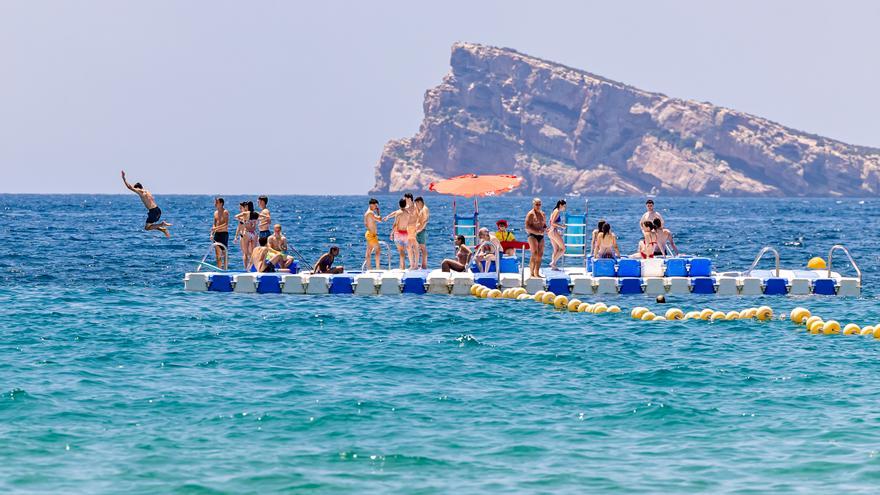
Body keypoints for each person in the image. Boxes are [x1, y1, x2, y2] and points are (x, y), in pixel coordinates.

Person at [121, 170, 172, 238]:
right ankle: (163, 229)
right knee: (150, 225)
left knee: (147, 228)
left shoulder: (140, 191)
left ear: (137, 188)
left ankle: (162, 224)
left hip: (153, 211)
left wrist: (124, 178)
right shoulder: (147, 191)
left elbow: (129, 187)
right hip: (157, 210)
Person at [384, 198, 412, 270]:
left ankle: (402, 268)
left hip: (398, 233)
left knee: (401, 251)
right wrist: (388, 216)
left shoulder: (398, 213)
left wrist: (391, 233)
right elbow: (396, 212)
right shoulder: (408, 213)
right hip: (405, 233)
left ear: (399, 205)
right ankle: (402, 267)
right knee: (403, 251)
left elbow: (395, 224)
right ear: (405, 205)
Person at [525, 198, 547, 278]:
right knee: (534, 253)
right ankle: (531, 273)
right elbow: (527, 227)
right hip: (532, 235)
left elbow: (544, 225)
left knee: (540, 254)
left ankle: (537, 273)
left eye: (539, 204)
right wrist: (537, 232)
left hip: (541, 236)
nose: (538, 206)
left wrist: (545, 229)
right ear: (533, 205)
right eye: (536, 204)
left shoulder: (543, 214)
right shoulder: (530, 214)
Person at [235, 201, 260, 268]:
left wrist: (242, 219)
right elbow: (264, 217)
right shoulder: (256, 213)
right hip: (254, 233)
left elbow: (236, 218)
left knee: (245, 253)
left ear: (247, 206)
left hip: (246, 233)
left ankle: (246, 268)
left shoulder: (245, 214)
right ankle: (253, 267)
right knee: (253, 253)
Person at [547, 199, 567, 270]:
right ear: (560, 205)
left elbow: (551, 223)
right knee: (563, 249)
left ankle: (553, 266)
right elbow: (552, 223)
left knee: (556, 249)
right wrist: (562, 226)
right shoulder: (557, 211)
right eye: (564, 206)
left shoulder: (554, 211)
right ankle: (553, 262)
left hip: (551, 232)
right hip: (553, 232)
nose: (565, 208)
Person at [363, 198, 383, 270]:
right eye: (375, 206)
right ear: (371, 204)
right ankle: (377, 268)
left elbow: (366, 224)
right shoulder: (370, 213)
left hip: (370, 234)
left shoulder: (367, 213)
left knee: (369, 251)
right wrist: (378, 212)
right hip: (371, 235)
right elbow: (379, 219)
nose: (376, 207)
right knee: (378, 249)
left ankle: (369, 268)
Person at [210, 197, 229, 269]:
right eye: (215, 202)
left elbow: (226, 225)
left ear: (221, 203)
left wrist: (216, 228)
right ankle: (219, 269)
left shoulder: (225, 212)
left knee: (224, 253)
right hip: (216, 235)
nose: (215, 204)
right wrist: (212, 233)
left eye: (217, 202)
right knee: (217, 255)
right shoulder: (215, 213)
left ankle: (225, 269)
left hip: (223, 234)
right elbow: (214, 224)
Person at [414, 196, 430, 269]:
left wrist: (419, 230)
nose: (416, 205)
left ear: (419, 202)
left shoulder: (425, 209)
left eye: (416, 204)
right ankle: (422, 265)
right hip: (419, 231)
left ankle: (424, 266)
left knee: (423, 249)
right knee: (421, 248)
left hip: (421, 231)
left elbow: (425, 221)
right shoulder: (421, 209)